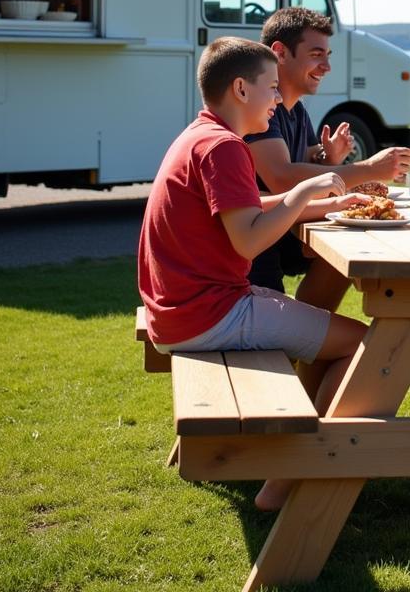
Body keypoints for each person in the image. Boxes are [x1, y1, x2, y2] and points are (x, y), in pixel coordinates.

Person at [137, 36, 370, 511]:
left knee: (330, 336)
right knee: (370, 349)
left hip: (184, 309)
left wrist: (326, 204)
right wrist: (303, 193)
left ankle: (284, 456)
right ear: (241, 89)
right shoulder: (223, 148)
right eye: (270, 88)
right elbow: (248, 238)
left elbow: (238, 209)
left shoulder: (202, 136)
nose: (278, 100)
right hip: (209, 314)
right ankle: (287, 481)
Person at [245, 6, 410, 309]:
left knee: (354, 244)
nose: (326, 66)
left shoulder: (295, 109)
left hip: (282, 232)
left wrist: (329, 159)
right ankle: (305, 341)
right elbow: (281, 177)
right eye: (316, 54)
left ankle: (306, 342)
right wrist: (370, 168)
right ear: (280, 52)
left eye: (328, 55)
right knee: (356, 238)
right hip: (254, 249)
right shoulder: (262, 108)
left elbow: (308, 169)